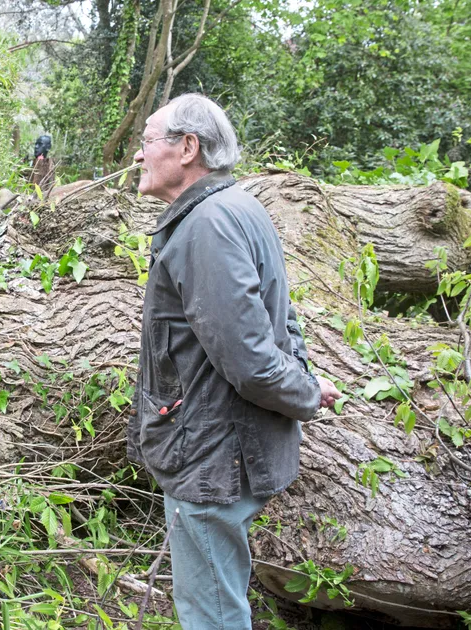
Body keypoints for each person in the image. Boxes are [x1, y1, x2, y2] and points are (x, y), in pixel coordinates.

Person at [126, 93, 341, 630]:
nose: (137, 155)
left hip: (211, 455)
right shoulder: (236, 207)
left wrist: (305, 393)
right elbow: (280, 324)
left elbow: (248, 360)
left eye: (147, 140)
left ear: (188, 148)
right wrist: (304, 382)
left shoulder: (207, 225)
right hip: (218, 447)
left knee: (212, 615)